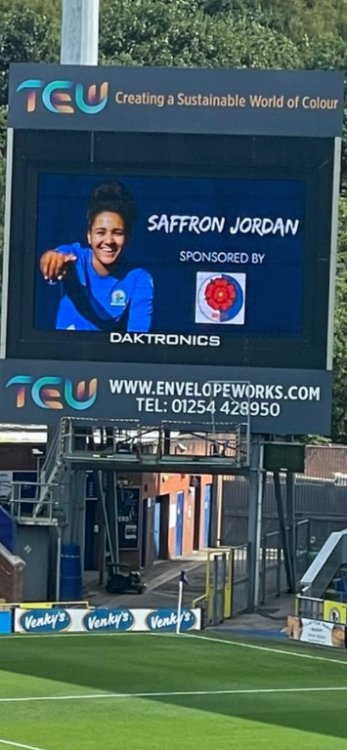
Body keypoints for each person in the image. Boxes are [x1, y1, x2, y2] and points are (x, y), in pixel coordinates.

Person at [39, 181, 154, 332]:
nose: (108, 241)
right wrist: (51, 260)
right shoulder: (74, 259)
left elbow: (138, 339)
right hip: (65, 353)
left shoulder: (139, 278)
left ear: (128, 238)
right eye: (101, 232)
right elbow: (53, 257)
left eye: (117, 233)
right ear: (89, 236)